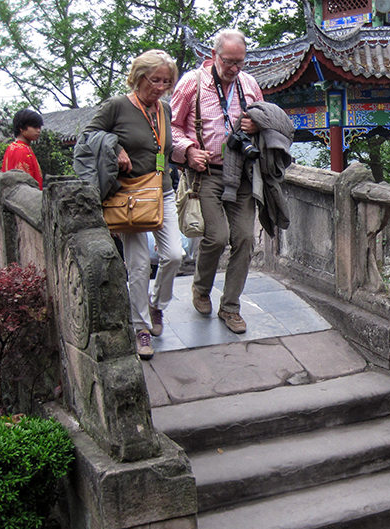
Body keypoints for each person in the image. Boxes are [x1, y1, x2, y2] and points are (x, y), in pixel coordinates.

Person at [78, 50, 182, 360]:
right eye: (155, 80)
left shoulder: (163, 109)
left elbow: (163, 146)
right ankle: (141, 328)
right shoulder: (117, 106)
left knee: (174, 254)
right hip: (130, 196)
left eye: (166, 81)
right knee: (137, 264)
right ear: (138, 77)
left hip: (161, 191)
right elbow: (87, 135)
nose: (161, 87)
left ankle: (156, 305)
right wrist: (116, 146)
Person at [170, 29, 263, 334]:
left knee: (245, 240)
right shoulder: (192, 83)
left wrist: (256, 124)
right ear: (214, 56)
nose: (235, 68)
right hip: (206, 173)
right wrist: (188, 150)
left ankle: (231, 306)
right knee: (217, 237)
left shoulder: (249, 85)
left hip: (242, 173)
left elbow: (269, 120)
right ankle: (200, 288)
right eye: (229, 61)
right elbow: (170, 127)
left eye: (240, 62)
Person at [1, 109, 44, 189]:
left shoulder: (14, 147)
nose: (38, 130)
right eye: (35, 127)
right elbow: (26, 185)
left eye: (39, 127)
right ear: (21, 127)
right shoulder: (21, 151)